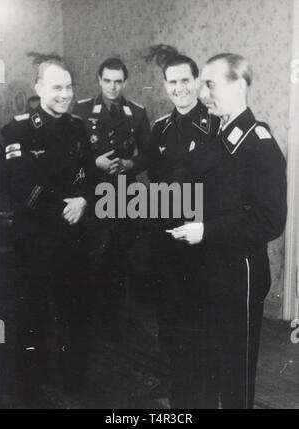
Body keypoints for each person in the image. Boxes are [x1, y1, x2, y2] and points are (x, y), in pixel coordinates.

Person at [168, 53, 287, 408]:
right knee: (206, 365)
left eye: (210, 84)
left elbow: (270, 221)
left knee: (235, 374)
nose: (202, 93)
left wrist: (207, 231)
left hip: (239, 274)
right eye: (201, 83)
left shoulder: (260, 144)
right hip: (205, 270)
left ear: (239, 85)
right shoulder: (218, 136)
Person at [0, 56, 95, 407]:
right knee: (32, 318)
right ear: (39, 89)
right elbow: (23, 186)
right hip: (37, 242)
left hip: (74, 237)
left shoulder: (78, 129)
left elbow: (91, 175)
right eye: (56, 87)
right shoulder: (18, 130)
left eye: (69, 87)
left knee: (77, 311)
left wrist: (84, 201)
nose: (65, 94)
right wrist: (66, 206)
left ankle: (72, 378)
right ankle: (30, 387)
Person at [145, 45, 220, 406]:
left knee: (201, 316)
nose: (179, 89)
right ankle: (175, 379)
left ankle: (200, 388)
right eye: (171, 82)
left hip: (204, 238)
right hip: (167, 238)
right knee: (170, 315)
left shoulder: (216, 124)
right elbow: (154, 181)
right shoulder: (160, 128)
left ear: (197, 82)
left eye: (185, 81)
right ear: (164, 86)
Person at [73, 57, 151, 342]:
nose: (113, 87)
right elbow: (72, 154)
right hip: (92, 194)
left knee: (119, 260)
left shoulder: (137, 114)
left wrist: (130, 166)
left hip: (124, 195)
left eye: (118, 81)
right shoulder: (81, 110)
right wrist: (95, 163)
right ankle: (87, 324)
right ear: (99, 79)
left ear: (125, 82)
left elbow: (147, 154)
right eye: (107, 80)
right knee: (91, 257)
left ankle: (114, 324)